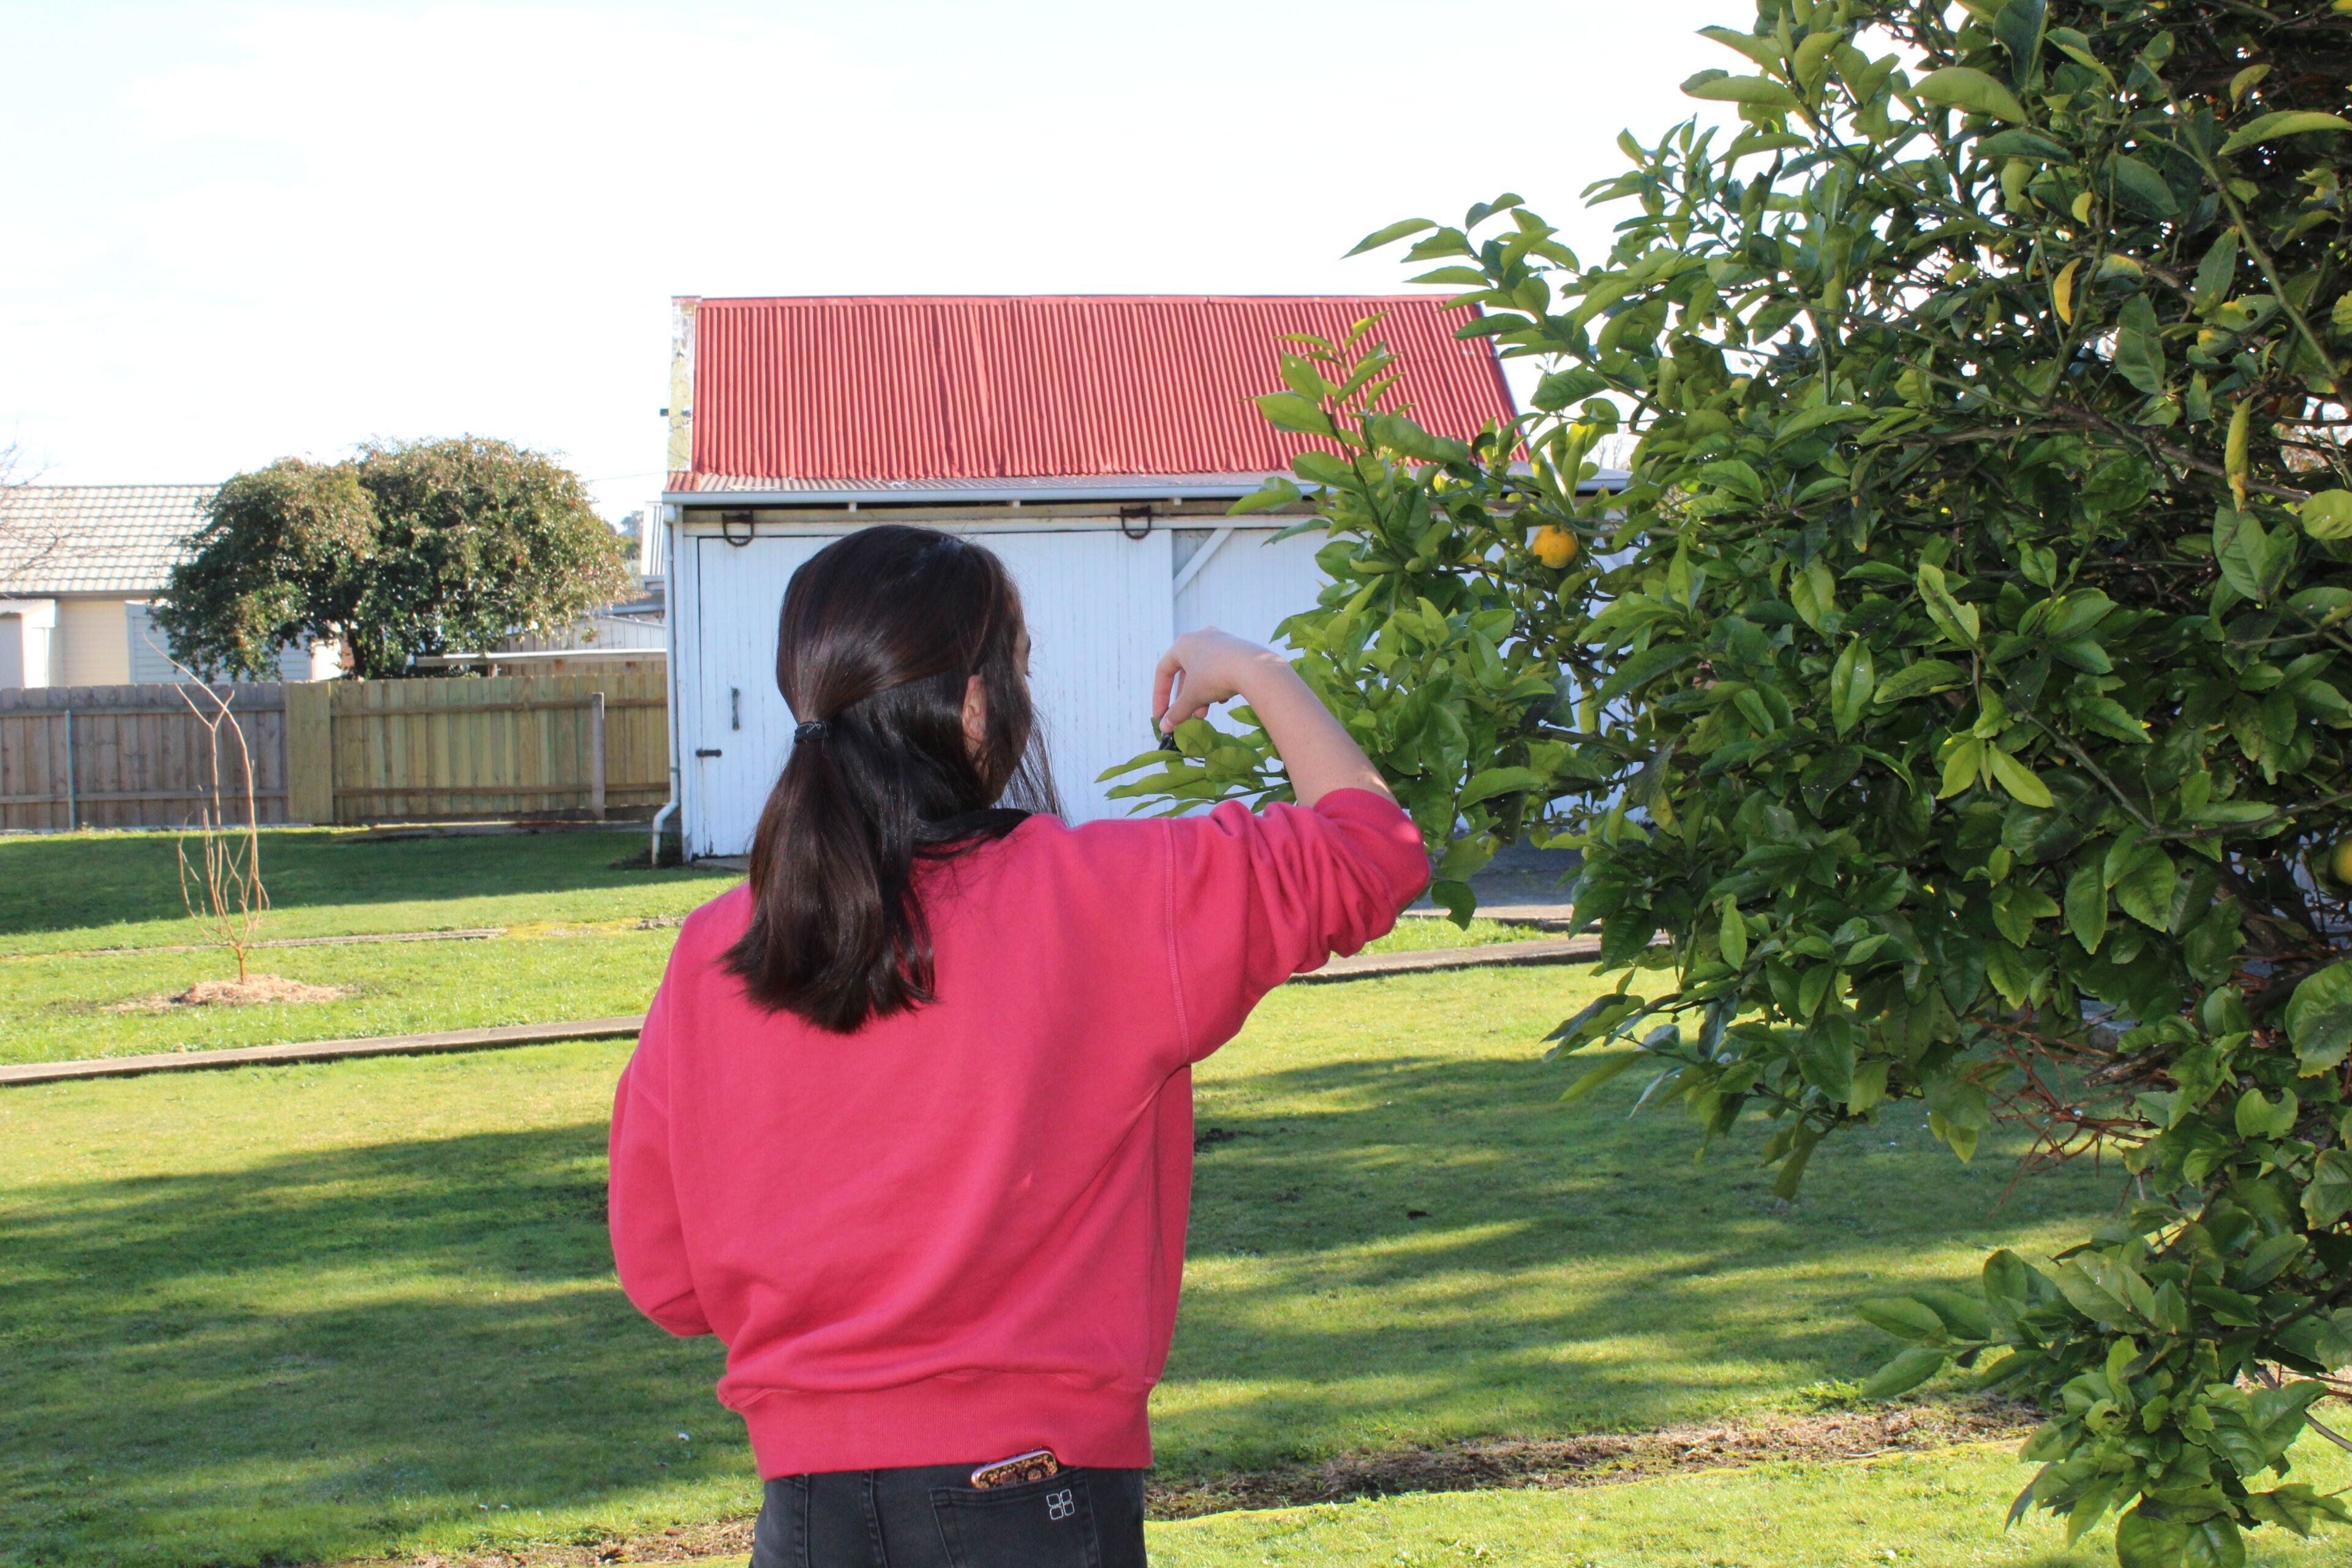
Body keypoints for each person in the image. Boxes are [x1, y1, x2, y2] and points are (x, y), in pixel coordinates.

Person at [608, 524, 1428, 1568]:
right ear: (975, 706)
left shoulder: (715, 951)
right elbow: (1372, 852)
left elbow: (667, 1281)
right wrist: (1257, 669)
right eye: (1021, 669)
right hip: (1031, 1493)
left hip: (807, 1518)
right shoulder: (1110, 899)